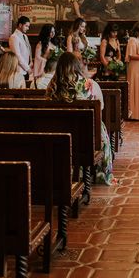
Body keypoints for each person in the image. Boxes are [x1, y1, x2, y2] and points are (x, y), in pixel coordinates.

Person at [46, 52, 114, 185]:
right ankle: (100, 172)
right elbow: (100, 107)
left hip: (58, 132)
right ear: (77, 66)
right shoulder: (90, 84)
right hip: (86, 134)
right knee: (100, 126)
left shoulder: (52, 86)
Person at [9, 15, 32, 86]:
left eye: (28, 26)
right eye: (26, 26)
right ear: (20, 25)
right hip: (19, 70)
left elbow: (28, 49)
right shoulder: (14, 37)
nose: (28, 28)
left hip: (27, 68)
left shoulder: (25, 36)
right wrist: (27, 68)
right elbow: (17, 55)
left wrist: (31, 61)